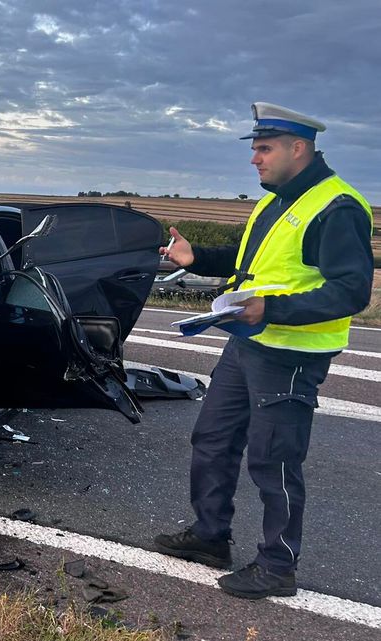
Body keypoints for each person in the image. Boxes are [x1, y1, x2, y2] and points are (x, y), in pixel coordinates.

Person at [154, 103, 373, 600]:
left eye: (263, 148)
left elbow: (351, 291)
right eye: (254, 149)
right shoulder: (275, 199)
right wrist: (197, 257)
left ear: (299, 148)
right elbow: (251, 261)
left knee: (273, 461)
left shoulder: (336, 207)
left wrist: (269, 309)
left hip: (291, 353)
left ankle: (277, 566)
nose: (254, 158)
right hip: (249, 341)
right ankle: (209, 537)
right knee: (212, 439)